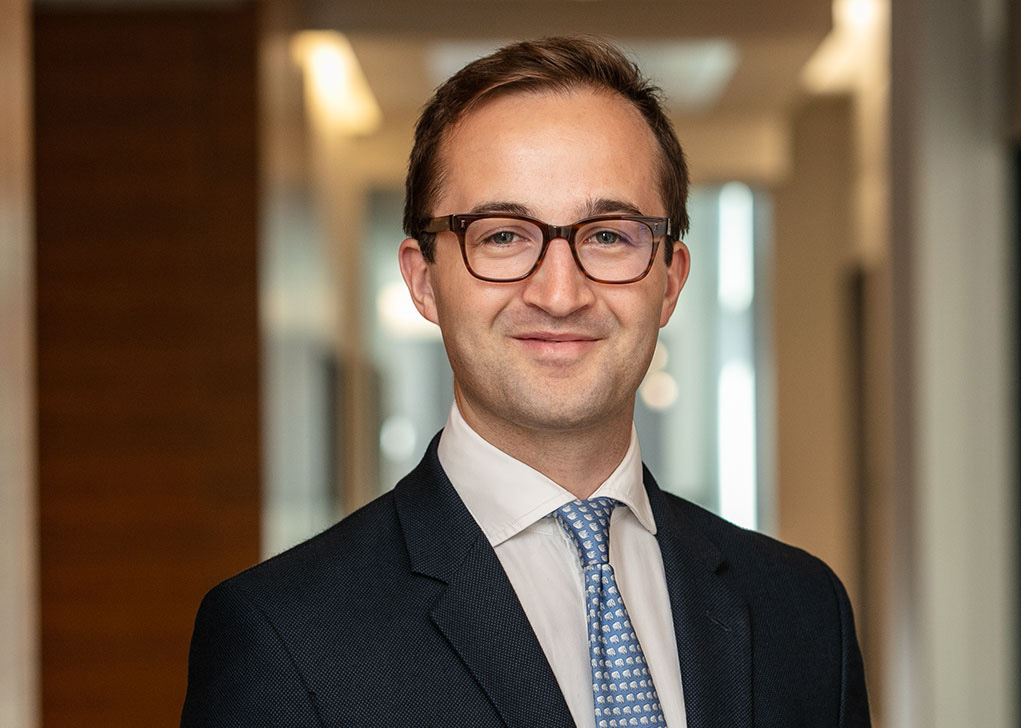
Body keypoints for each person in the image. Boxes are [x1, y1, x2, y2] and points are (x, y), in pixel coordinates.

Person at [181, 36, 870, 728]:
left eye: (609, 235)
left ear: (669, 281)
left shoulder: (806, 612)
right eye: (503, 236)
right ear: (424, 281)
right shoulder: (284, 638)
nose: (560, 294)